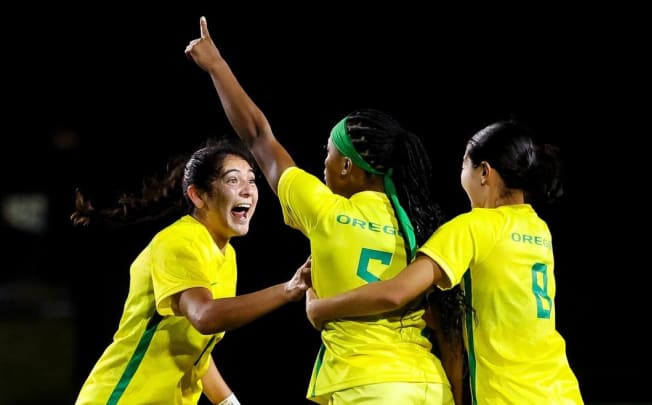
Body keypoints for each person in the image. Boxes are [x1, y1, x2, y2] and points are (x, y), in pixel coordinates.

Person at [185, 16, 466, 405]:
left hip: (363, 386)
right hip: (429, 386)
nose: (324, 161)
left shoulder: (323, 208)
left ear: (348, 166)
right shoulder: (419, 225)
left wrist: (216, 66)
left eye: (329, 153)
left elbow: (257, 136)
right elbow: (448, 329)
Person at [306, 119, 585, 404]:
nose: (461, 175)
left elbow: (396, 292)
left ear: (484, 173)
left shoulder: (473, 227)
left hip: (510, 396)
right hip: (562, 390)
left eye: (464, 164)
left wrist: (320, 308)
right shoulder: (538, 230)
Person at [72, 137, 311, 405]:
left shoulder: (226, 253)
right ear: (198, 195)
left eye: (252, 180)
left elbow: (193, 348)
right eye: (233, 180)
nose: (247, 190)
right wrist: (288, 290)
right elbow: (204, 317)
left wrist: (228, 402)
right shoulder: (179, 241)